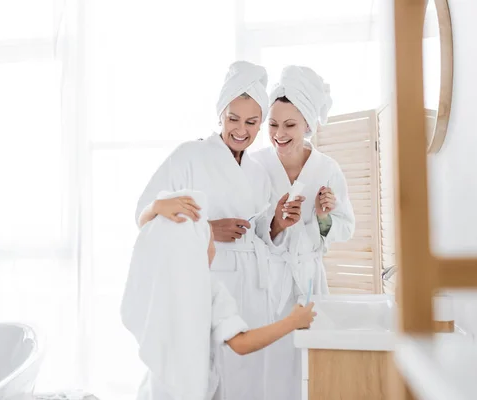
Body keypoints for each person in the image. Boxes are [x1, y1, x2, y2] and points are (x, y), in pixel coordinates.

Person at [134, 61, 302, 399]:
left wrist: (278, 223)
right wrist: (208, 229)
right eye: (233, 119)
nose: (242, 130)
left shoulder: (257, 171)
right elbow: (146, 215)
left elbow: (260, 232)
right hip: (202, 285)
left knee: (242, 381)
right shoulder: (190, 156)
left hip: (251, 294)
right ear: (220, 116)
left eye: (252, 122)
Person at [122, 190, 316, 400]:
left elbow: (150, 242)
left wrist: (154, 208)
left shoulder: (158, 285)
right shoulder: (209, 290)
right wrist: (293, 321)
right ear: (197, 247)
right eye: (211, 238)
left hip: (153, 392)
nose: (213, 245)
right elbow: (241, 344)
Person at [252, 65, 356, 399]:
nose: (279, 133)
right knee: (270, 369)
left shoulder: (327, 169)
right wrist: (277, 224)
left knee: (311, 367)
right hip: (268, 282)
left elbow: (346, 227)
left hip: (310, 281)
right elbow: (245, 229)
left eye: (290, 125)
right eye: (273, 124)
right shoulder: (256, 165)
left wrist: (324, 218)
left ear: (307, 125)